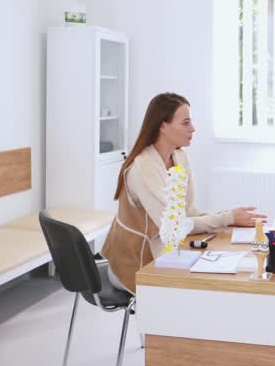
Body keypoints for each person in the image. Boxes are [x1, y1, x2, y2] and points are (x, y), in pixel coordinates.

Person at [101, 92, 263, 293]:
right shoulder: (143, 168)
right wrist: (226, 218)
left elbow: (187, 209)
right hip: (135, 265)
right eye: (185, 123)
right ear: (162, 126)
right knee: (201, 291)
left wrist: (228, 220)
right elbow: (174, 225)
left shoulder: (179, 157)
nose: (193, 129)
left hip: (162, 255)